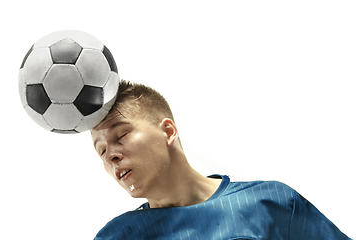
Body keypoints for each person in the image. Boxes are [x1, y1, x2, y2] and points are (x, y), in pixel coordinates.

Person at [91, 80, 351, 240]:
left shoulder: (271, 202)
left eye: (122, 135)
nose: (111, 155)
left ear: (168, 131)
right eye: (101, 151)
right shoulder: (117, 235)